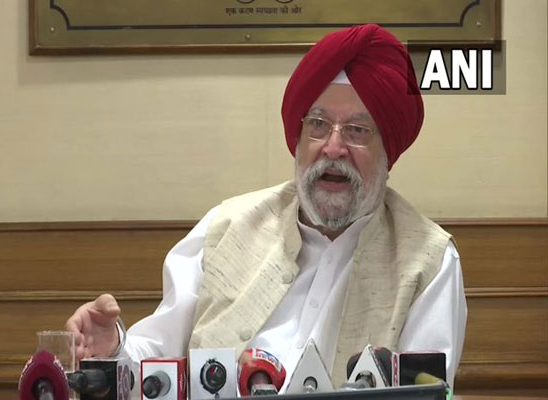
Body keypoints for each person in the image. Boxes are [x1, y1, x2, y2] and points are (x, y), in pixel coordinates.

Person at [65, 24, 467, 390]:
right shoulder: (226, 227)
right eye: (318, 124)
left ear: (388, 153)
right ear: (299, 136)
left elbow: (424, 392)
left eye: (357, 130)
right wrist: (112, 352)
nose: (333, 147)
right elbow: (155, 357)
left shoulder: (428, 262)